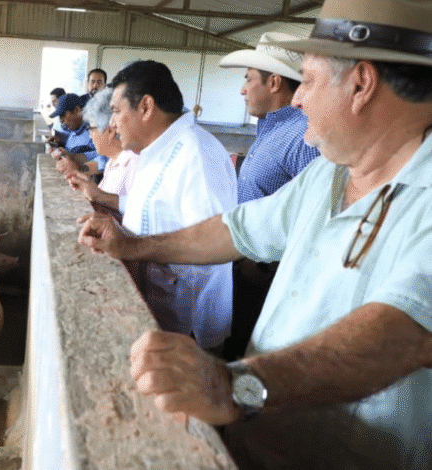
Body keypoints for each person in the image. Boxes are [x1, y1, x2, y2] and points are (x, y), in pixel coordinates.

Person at [78, 0, 432, 468]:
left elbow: (406, 329)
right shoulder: (328, 172)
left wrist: (236, 385)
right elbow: (236, 230)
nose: (299, 97)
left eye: (307, 79)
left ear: (361, 84)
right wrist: (132, 246)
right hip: (263, 440)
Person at [103, 60, 237, 351]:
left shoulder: (196, 154)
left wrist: (132, 247)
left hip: (188, 329)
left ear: (146, 107)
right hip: (159, 313)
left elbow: (213, 244)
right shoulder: (154, 152)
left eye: (116, 111)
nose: (112, 124)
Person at [218, 32, 321, 360]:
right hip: (246, 267)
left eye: (249, 79)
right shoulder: (271, 130)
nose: (243, 89)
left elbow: (315, 212)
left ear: (274, 82)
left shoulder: (301, 136)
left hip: (267, 278)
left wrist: (271, 268)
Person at [66, 87, 137, 209]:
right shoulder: (112, 161)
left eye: (92, 129)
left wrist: (98, 196)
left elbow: (140, 212)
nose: (90, 135)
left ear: (110, 131)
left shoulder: (134, 163)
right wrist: (85, 187)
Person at [48, 93, 108, 177]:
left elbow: (106, 160)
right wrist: (61, 151)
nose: (61, 121)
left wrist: (76, 163)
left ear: (76, 110)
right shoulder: (73, 132)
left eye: (63, 115)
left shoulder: (94, 132)